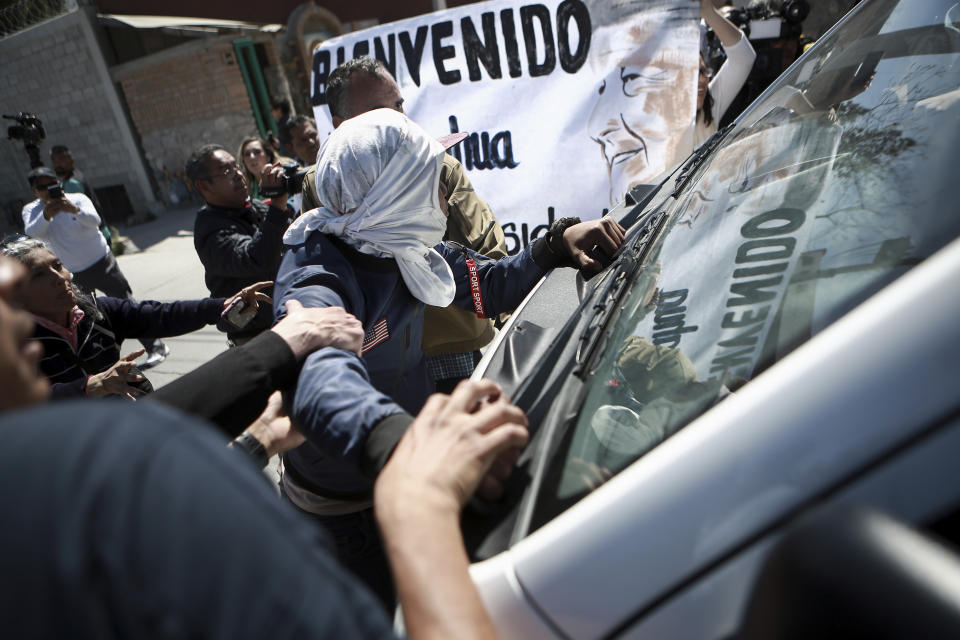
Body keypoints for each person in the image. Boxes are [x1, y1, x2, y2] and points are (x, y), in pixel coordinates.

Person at [0, 252, 527, 640]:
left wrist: (255, 440)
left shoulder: (72, 480)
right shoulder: (125, 492)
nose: (9, 279)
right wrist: (419, 501)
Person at [274, 107, 625, 607]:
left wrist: (556, 242)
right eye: (432, 180)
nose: (445, 194)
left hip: (408, 467)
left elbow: (492, 286)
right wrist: (413, 447)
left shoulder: (407, 249)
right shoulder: (314, 277)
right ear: (392, 194)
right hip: (347, 511)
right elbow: (319, 376)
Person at [317, 56, 509, 392]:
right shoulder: (324, 184)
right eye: (383, 112)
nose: (401, 120)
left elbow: (487, 253)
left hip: (447, 344)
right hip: (377, 360)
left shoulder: (437, 165)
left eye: (399, 106)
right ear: (340, 122)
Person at [0, 236, 270, 399]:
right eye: (39, 275)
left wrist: (220, 305)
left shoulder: (97, 311)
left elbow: (159, 314)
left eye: (57, 266)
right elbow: (21, 402)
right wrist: (90, 386)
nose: (60, 279)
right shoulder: (15, 344)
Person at [20, 167, 169, 366]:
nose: (49, 189)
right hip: (72, 272)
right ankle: (105, 361)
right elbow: (32, 234)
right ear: (33, 191)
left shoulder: (77, 198)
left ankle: (155, 347)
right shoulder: (32, 210)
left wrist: (73, 209)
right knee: (88, 317)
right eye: (42, 187)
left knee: (125, 304)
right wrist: (47, 214)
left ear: (59, 182)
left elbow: (95, 221)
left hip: (101, 262)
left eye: (52, 184)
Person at [188, 144, 296, 344]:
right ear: (204, 186)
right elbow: (254, 259)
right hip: (255, 340)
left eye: (236, 167)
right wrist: (278, 206)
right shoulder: (210, 228)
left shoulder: (253, 207)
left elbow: (294, 240)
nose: (238, 174)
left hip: (288, 322)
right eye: (226, 171)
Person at [694, 0, 757, 147]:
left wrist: (708, 11)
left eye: (703, 71)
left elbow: (744, 58)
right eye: (693, 74)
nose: (703, 80)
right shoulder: (646, 124)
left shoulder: (708, 109)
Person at [237, 136, 293, 201]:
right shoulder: (246, 188)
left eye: (257, 152)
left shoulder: (286, 173)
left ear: (268, 155)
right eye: (247, 154)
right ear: (243, 161)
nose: (252, 157)